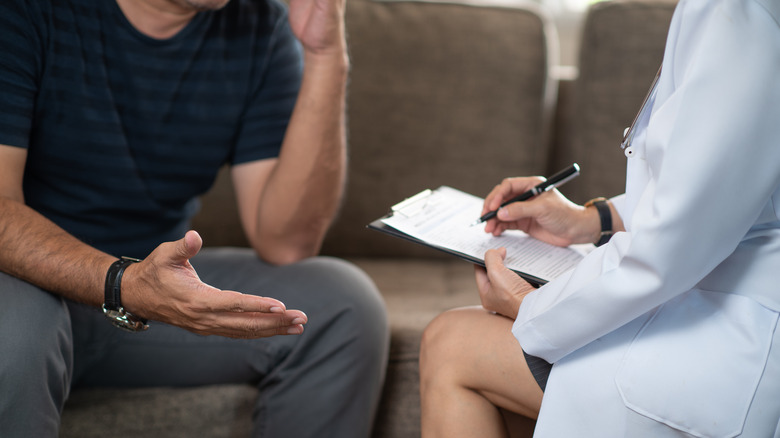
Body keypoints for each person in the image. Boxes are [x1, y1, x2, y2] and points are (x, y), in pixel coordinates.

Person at [0, 0, 389, 437]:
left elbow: (287, 243)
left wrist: (324, 56)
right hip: (26, 289)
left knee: (343, 305)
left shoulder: (260, 23)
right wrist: (124, 284)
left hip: (149, 299)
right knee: (16, 332)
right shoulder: (24, 11)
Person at [419, 0, 780, 436]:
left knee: (450, 344)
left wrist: (529, 305)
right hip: (726, 309)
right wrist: (593, 219)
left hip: (736, 345)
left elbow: (667, 251)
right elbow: (726, 195)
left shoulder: (740, 12)